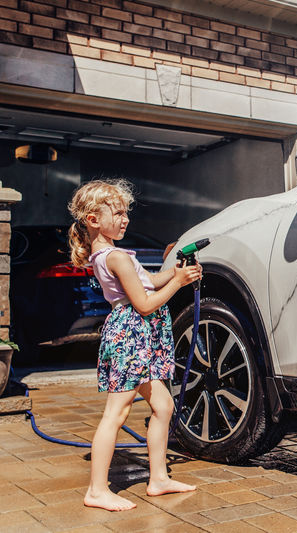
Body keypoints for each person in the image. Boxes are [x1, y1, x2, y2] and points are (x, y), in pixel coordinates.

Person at [67, 178, 202, 511]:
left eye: (126, 212)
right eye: (117, 213)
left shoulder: (113, 256)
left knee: (164, 406)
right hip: (132, 334)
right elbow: (144, 303)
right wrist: (180, 284)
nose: (125, 219)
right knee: (117, 412)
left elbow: (151, 281)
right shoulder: (116, 258)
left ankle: (158, 479)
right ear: (93, 220)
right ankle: (97, 490)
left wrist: (174, 273)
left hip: (139, 335)